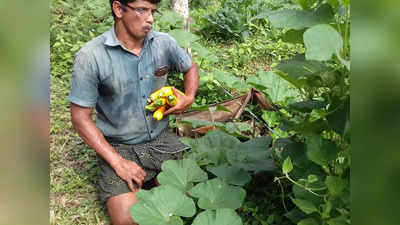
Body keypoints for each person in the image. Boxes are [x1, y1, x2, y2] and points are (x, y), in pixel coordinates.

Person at [68, 0, 199, 224]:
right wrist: (117, 163)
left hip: (161, 139)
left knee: (181, 204)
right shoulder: (91, 56)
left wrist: (189, 97)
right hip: (119, 146)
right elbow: (80, 118)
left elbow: (190, 68)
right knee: (129, 219)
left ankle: (154, 181)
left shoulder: (163, 43)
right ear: (118, 9)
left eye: (153, 11)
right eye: (141, 10)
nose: (150, 19)